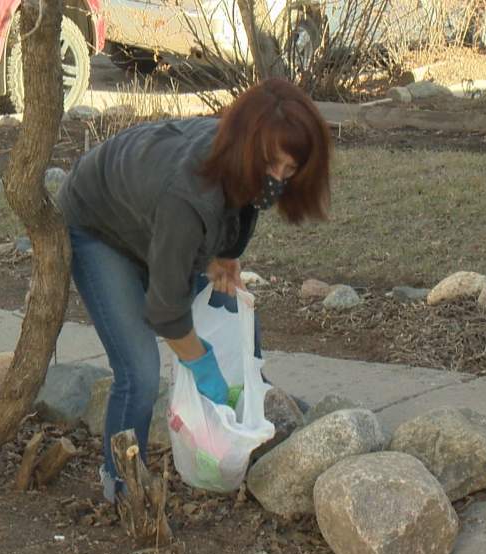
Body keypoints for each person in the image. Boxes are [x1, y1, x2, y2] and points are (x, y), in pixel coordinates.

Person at [58, 78, 332, 502]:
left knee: (235, 312)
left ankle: (243, 430)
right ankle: (122, 486)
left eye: (289, 171)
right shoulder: (188, 198)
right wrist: (203, 369)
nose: (277, 181)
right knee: (140, 371)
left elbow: (235, 210)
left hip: (152, 217)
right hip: (98, 226)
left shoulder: (239, 165)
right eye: (271, 166)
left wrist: (223, 253)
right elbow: (166, 314)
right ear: (246, 148)